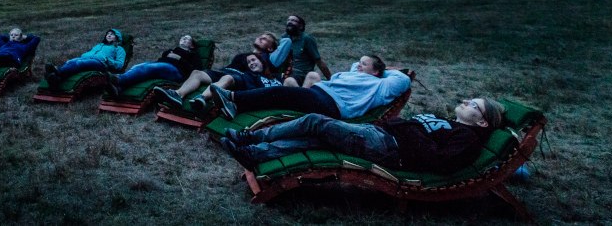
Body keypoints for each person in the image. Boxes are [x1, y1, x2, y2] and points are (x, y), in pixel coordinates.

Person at [214, 96, 505, 175]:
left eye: (473, 105)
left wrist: (412, 130)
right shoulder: (446, 123)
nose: (466, 102)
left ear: (482, 123)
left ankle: (250, 138)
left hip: (389, 149)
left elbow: (437, 161)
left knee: (316, 122)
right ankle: (255, 155)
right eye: (469, 100)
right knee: (316, 141)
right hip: (379, 135)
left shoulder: (467, 139)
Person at [202, 54, 411, 121]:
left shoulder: (381, 84)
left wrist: (385, 69)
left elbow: (403, 79)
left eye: (364, 63)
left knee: (280, 93)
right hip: (320, 94)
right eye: (359, 62)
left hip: (334, 106)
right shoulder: (353, 75)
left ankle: (232, 97)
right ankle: (236, 106)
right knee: (281, 97)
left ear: (376, 71)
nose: (358, 65)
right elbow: (353, 69)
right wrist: (362, 67)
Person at [153, 33, 281, 109]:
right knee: (197, 73)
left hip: (240, 78)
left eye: (264, 39)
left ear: (270, 48)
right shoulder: (245, 54)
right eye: (261, 36)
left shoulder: (267, 59)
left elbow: (284, 46)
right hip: (224, 71)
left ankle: (202, 98)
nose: (260, 38)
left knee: (227, 78)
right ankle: (178, 94)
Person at [107, 34, 202, 95]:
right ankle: (120, 88)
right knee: (139, 66)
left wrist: (180, 59)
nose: (183, 39)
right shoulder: (172, 50)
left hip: (177, 72)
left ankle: (120, 79)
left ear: (192, 45)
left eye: (187, 38)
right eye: (182, 38)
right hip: (163, 67)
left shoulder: (193, 54)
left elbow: (197, 70)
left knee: (150, 67)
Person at [43, 28, 126, 90]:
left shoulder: (119, 49)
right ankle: (55, 79)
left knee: (79, 63)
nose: (109, 35)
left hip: (100, 63)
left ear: (117, 37)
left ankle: (57, 72)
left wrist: (107, 60)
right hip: (86, 59)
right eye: (108, 33)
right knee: (70, 61)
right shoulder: (99, 45)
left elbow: (119, 65)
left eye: (112, 34)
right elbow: (91, 53)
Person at [272, 14, 332, 87]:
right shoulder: (284, 38)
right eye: (288, 20)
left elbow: (318, 61)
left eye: (293, 20)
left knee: (290, 81)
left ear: (301, 26)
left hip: (301, 74)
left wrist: (331, 80)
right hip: (283, 73)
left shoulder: (307, 39)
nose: (290, 22)